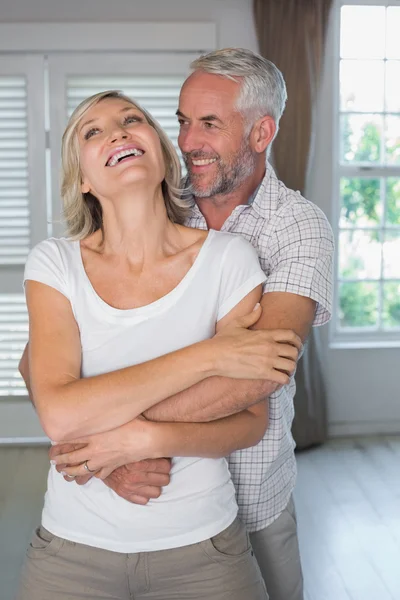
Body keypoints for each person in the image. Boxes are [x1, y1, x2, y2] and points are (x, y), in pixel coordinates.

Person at [15, 89, 303, 600]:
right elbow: (59, 412)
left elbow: (250, 422)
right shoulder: (54, 264)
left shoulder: (230, 259)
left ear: (163, 153)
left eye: (132, 119)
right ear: (82, 178)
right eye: (93, 131)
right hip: (71, 553)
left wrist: (142, 441)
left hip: (205, 552)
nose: (118, 132)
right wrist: (208, 356)